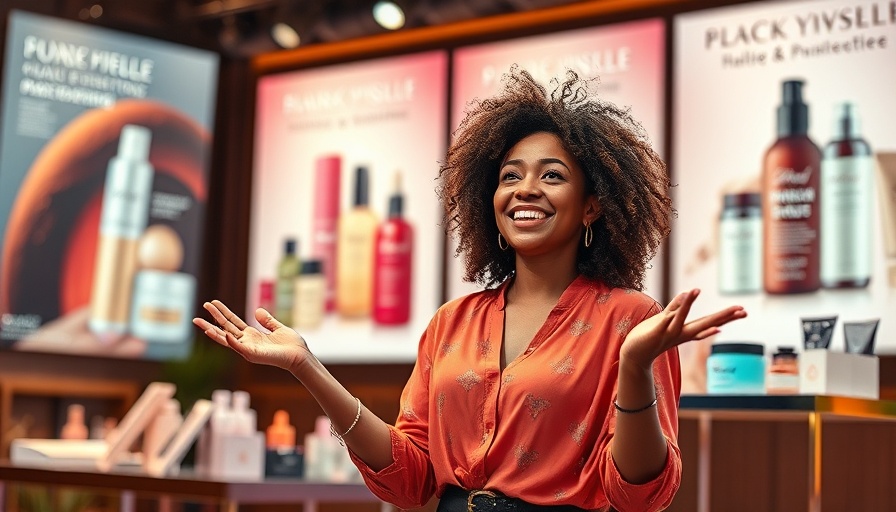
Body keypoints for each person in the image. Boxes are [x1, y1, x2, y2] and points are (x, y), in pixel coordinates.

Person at [193, 68, 746, 512]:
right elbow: (410, 479)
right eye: (510, 176)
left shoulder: (630, 319)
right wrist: (305, 367)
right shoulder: (451, 323)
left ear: (593, 205)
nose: (526, 188)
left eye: (552, 175)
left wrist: (631, 367)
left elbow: (639, 495)